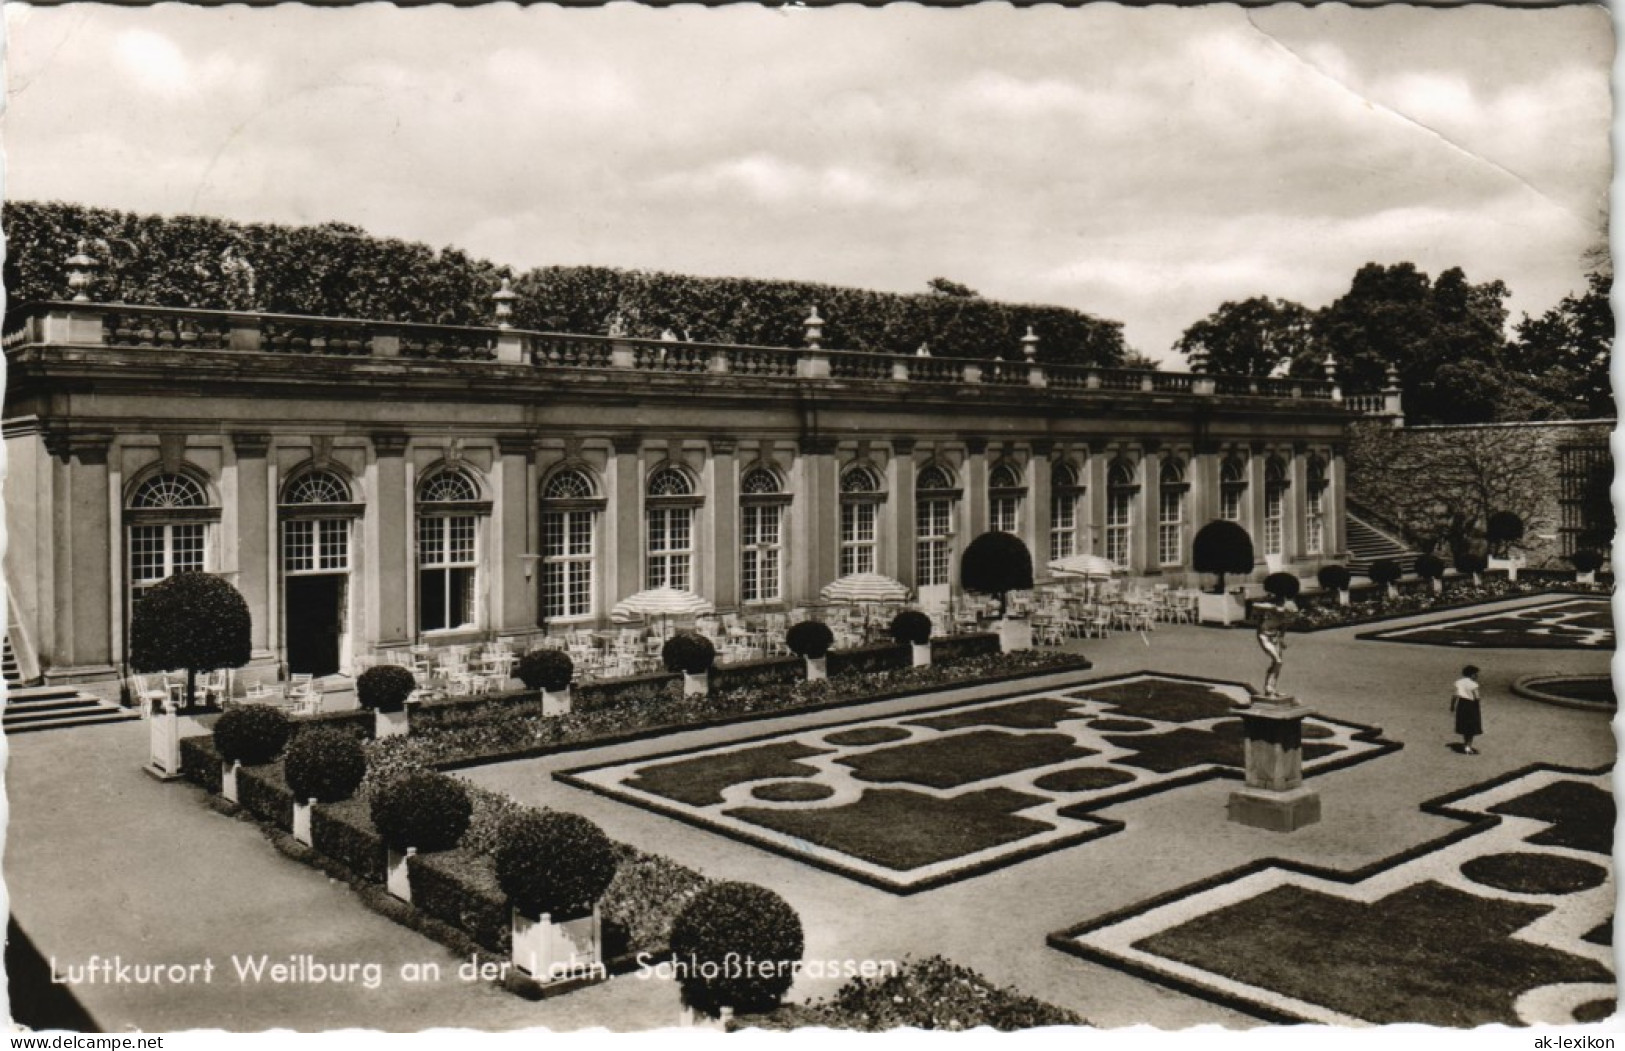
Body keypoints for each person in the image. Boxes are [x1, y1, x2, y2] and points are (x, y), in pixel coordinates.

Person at [1255, 599, 1288, 698]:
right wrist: (1273, 607)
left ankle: (1272, 688)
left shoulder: (1284, 617)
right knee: (1277, 661)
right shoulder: (1268, 610)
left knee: (1278, 663)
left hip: (1275, 638)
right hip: (1264, 636)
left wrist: (1281, 640)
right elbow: (1255, 604)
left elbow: (1283, 629)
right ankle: (1268, 688)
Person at [1452, 665, 1483, 754]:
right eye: (1476, 674)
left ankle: (1465, 744)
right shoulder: (1473, 684)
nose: (1477, 676)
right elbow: (1477, 697)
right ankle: (1468, 746)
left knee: (1464, 726)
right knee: (1471, 727)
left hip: (1461, 705)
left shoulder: (1459, 682)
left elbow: (1455, 696)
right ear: (1472, 675)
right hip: (1471, 706)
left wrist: (1452, 706)